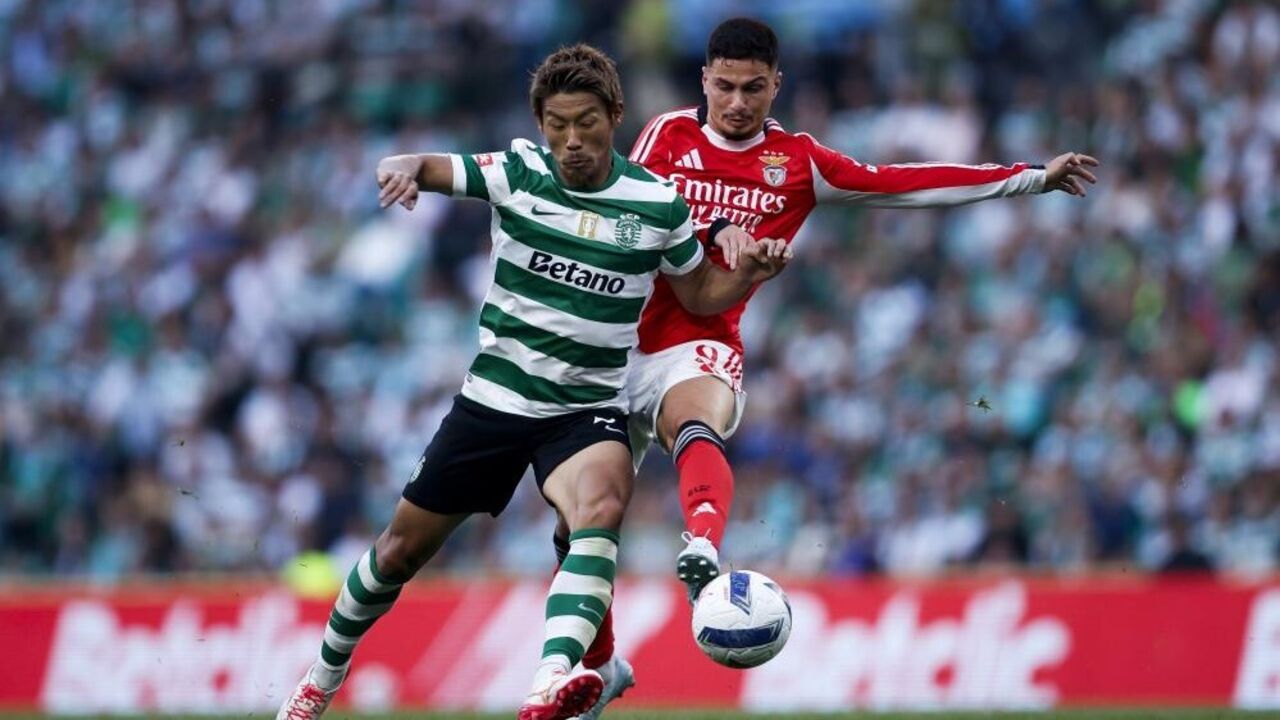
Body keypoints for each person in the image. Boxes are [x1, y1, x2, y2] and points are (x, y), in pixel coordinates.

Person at [563, 17, 1101, 719]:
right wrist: (703, 233)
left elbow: (905, 183)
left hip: (700, 342)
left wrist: (1028, 178)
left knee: (697, 422)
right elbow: (625, 212)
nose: (736, 103)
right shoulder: (667, 136)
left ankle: (702, 539)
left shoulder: (799, 162)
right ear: (704, 81)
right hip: (618, 345)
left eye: (752, 88)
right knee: (581, 526)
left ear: (775, 85)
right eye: (723, 86)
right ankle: (595, 669)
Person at [275, 43, 790, 720]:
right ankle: (320, 680)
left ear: (616, 115)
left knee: (600, 510)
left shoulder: (657, 203)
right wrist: (399, 167)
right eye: (557, 125)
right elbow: (434, 167)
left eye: (586, 123)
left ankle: (551, 679)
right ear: (539, 123)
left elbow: (697, 293)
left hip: (588, 407)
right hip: (496, 400)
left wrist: (750, 271)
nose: (571, 141)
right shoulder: (517, 170)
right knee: (397, 554)